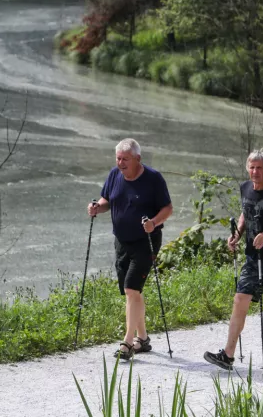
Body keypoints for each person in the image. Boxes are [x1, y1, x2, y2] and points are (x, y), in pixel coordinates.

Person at [203, 149, 263, 371]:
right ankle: (227, 355)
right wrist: (237, 233)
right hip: (252, 258)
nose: (255, 171)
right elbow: (246, 211)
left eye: (259, 168)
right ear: (247, 168)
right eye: (251, 167)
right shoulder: (245, 188)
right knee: (240, 299)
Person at [87, 138, 173, 361]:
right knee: (133, 292)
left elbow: (168, 208)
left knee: (131, 290)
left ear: (137, 159)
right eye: (118, 158)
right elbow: (107, 200)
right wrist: (97, 207)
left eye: (125, 159)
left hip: (146, 241)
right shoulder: (114, 175)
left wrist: (153, 222)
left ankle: (127, 342)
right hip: (122, 242)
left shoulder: (153, 179)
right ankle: (143, 339)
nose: (120, 163)